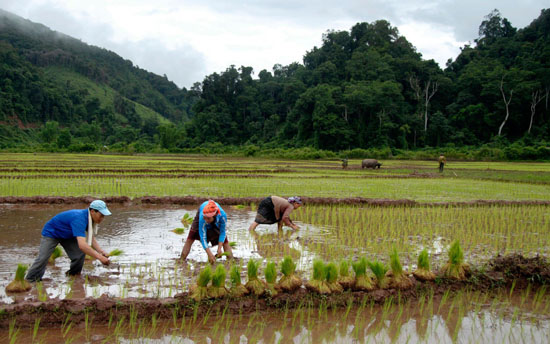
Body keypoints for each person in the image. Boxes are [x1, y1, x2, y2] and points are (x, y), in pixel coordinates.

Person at [26, 200, 112, 282]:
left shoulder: (89, 218)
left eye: (104, 216)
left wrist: (101, 251)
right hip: (52, 233)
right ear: (93, 211)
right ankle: (30, 280)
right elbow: (82, 245)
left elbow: (91, 237)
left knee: (79, 254)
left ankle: (73, 275)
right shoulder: (79, 219)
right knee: (43, 258)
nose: (102, 218)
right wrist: (100, 257)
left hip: (68, 234)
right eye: (101, 215)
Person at [180, 199, 234, 264]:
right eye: (205, 218)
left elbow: (222, 233)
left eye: (208, 218)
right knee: (191, 237)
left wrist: (219, 249)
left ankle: (231, 261)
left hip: (216, 219)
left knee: (224, 240)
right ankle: (181, 260)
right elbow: (203, 237)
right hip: (202, 210)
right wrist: (210, 254)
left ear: (214, 216)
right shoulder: (202, 218)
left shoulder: (222, 216)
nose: (206, 220)